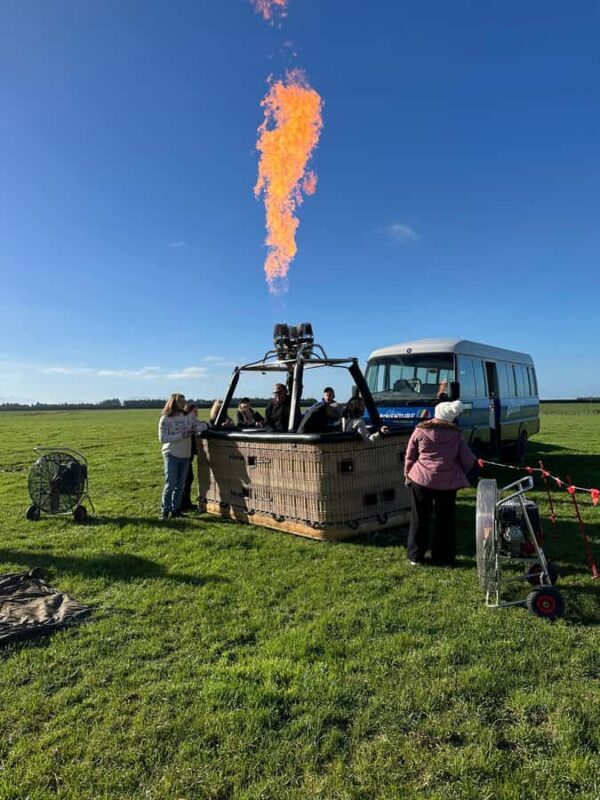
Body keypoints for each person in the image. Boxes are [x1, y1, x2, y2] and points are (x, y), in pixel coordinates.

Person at [403, 400, 476, 567]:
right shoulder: (456, 434)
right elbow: (467, 459)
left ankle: (415, 556)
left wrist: (407, 474)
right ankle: (443, 558)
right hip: (447, 483)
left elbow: (410, 455)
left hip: (420, 479)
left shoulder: (420, 430)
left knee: (419, 518)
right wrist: (465, 470)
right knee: (445, 521)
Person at [158, 393, 194, 519]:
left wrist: (204, 427)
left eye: (184, 402)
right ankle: (164, 511)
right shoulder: (165, 419)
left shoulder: (187, 417)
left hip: (185, 454)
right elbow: (162, 438)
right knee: (170, 484)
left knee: (180, 485)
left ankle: (176, 510)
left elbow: (197, 424)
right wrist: (181, 435)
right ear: (174, 403)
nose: (184, 404)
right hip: (171, 454)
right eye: (181, 402)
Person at [181, 402, 200, 512]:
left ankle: (186, 503)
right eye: (195, 411)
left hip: (189, 455)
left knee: (188, 478)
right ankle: (183, 504)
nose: (197, 413)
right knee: (186, 479)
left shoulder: (191, 421)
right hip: (184, 454)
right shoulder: (187, 422)